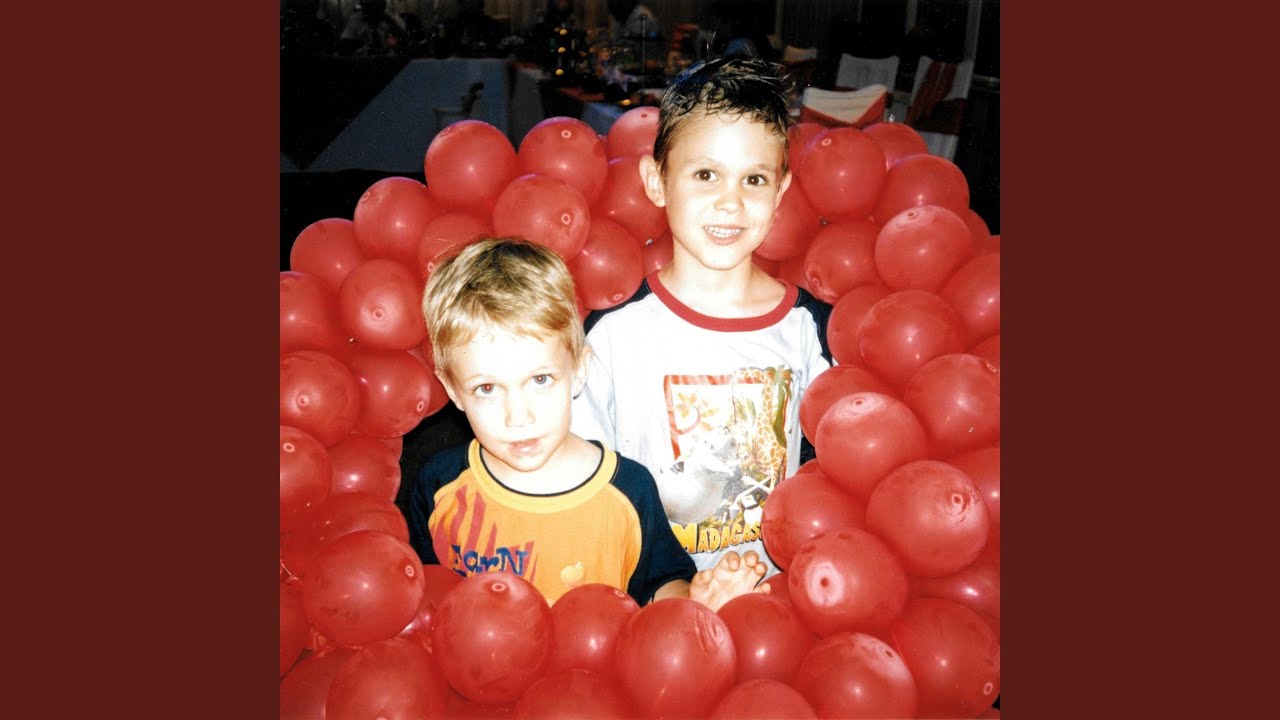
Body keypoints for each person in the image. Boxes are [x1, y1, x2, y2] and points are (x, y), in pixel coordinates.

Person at [570, 57, 833, 578]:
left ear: (780, 190)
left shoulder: (811, 330)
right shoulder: (614, 335)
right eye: (706, 174)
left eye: (754, 178)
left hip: (778, 605)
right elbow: (589, 494)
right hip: (655, 603)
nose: (730, 202)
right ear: (657, 181)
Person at [405, 238, 768, 609]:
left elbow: (659, 586)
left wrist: (698, 600)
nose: (519, 416)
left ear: (579, 370)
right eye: (487, 388)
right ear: (453, 390)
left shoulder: (630, 489)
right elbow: (427, 599)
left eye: (540, 380)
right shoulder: (439, 484)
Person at [337, 0, 408, 55]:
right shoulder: (356, 20)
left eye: (376, 6)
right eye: (369, 5)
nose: (373, 9)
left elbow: (401, 41)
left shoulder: (387, 21)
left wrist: (393, 40)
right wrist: (361, 46)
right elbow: (345, 43)